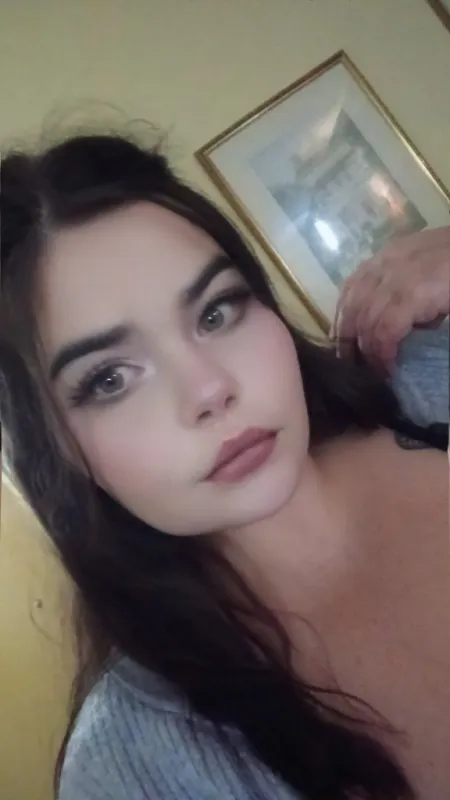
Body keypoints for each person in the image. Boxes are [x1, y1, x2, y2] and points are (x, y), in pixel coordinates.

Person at [0, 131, 448, 800]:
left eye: (216, 312)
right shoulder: (133, 770)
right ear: (55, 450)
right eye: (109, 379)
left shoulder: (434, 371)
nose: (210, 390)